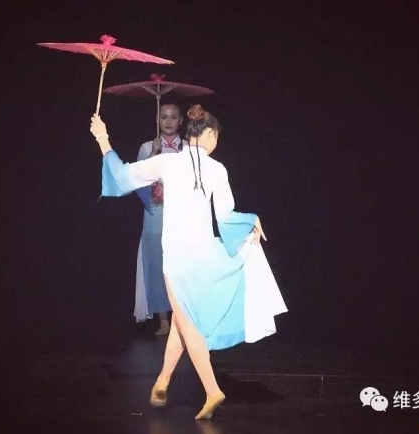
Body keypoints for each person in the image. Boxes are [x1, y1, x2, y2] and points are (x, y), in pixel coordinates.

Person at [91, 104, 287, 420]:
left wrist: (102, 137)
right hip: (205, 253)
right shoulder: (217, 169)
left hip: (179, 256)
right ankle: (162, 382)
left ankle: (212, 389)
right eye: (216, 136)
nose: (216, 141)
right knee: (182, 323)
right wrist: (250, 220)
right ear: (208, 134)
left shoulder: (168, 163)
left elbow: (122, 175)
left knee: (186, 321)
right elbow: (225, 216)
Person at [133, 103, 187, 336]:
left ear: (181, 120)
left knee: (181, 266)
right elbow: (137, 178)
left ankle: (181, 319)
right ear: (157, 119)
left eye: (173, 117)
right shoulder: (148, 146)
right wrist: (154, 153)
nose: (168, 121)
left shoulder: (188, 147)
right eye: (164, 117)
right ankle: (163, 320)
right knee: (157, 263)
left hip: (181, 213)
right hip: (156, 212)